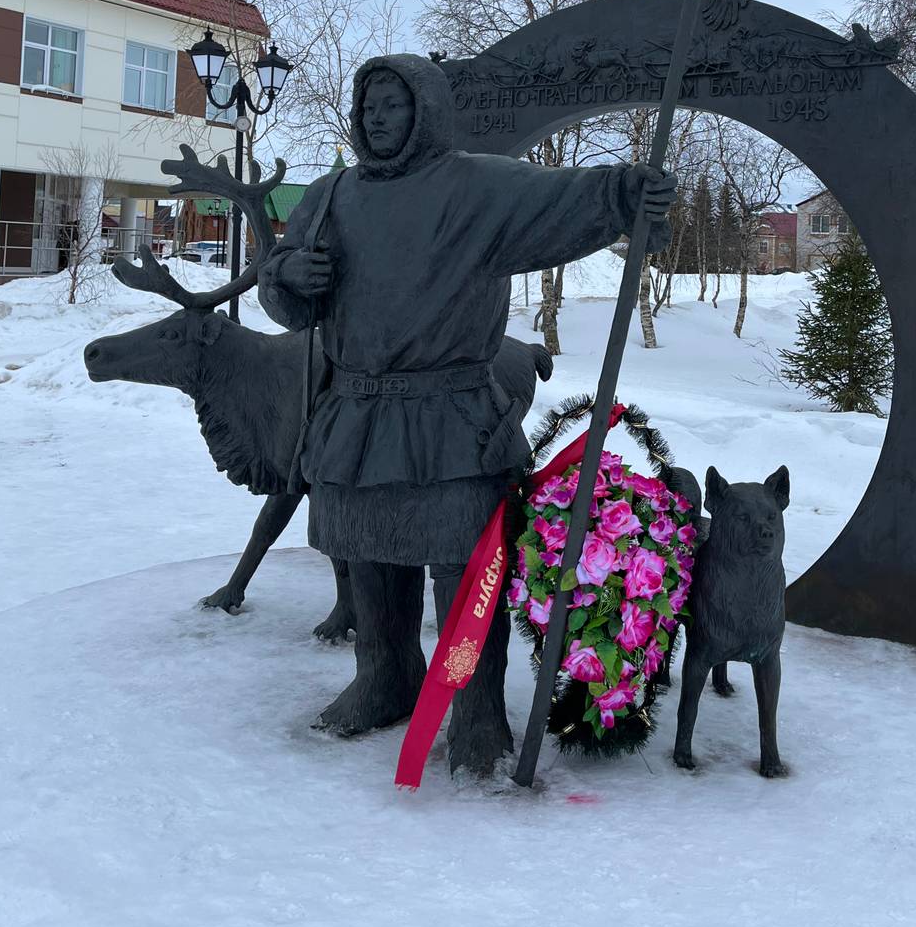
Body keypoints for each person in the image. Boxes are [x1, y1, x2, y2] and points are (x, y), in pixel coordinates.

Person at [259, 53, 675, 775]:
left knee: (463, 565)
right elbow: (282, 287)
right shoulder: (330, 196)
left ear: (426, 109)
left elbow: (565, 197)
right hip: (359, 411)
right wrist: (287, 277)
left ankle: (477, 709)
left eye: (393, 104)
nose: (378, 118)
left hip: (450, 415)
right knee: (367, 555)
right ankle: (385, 676)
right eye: (368, 107)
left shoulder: (477, 186)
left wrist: (622, 193)